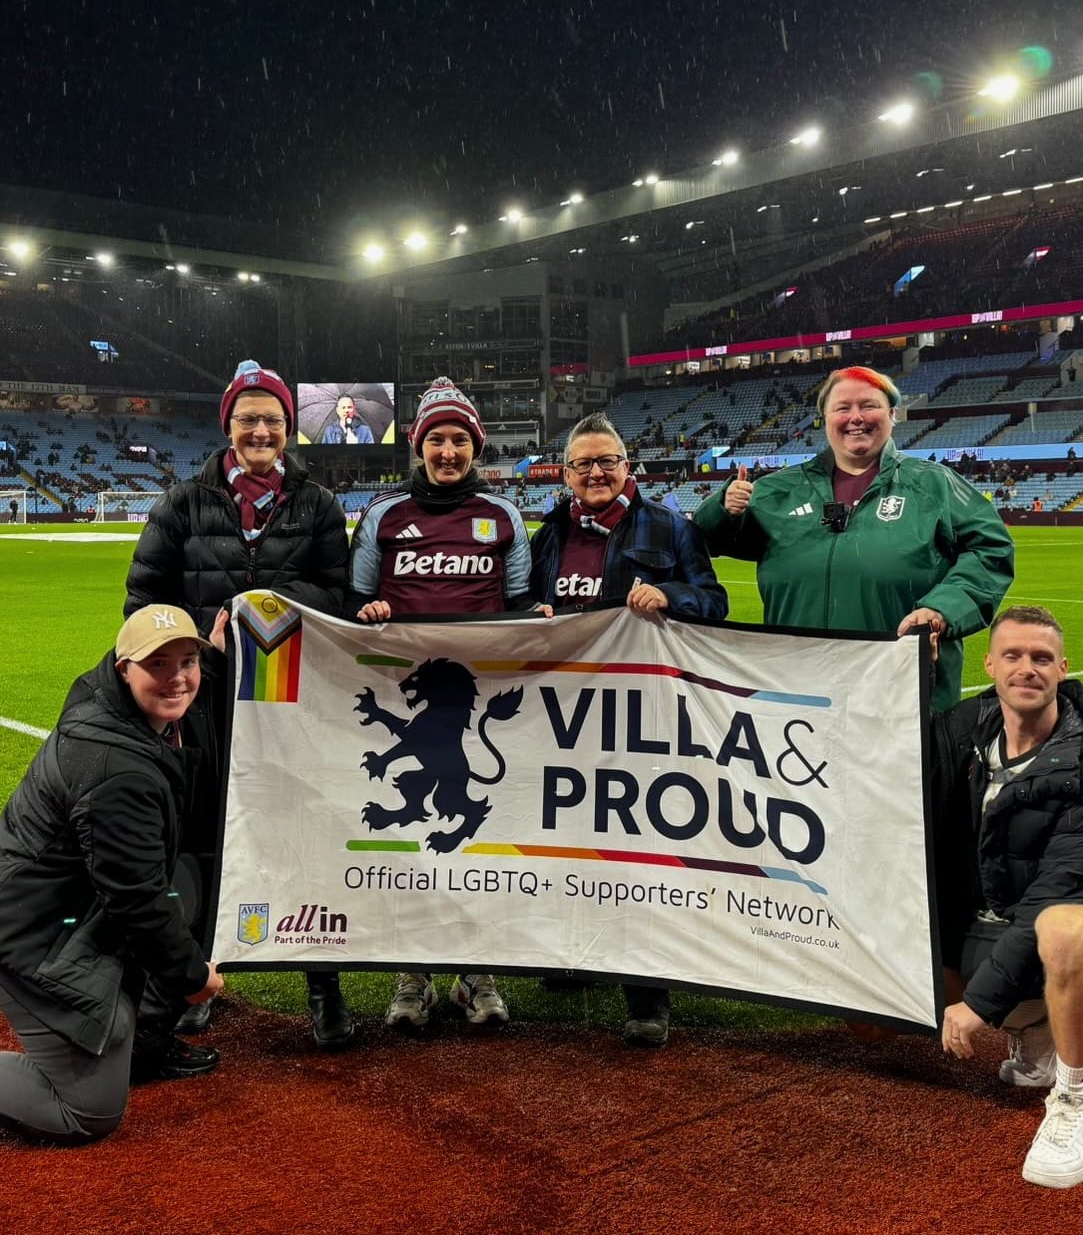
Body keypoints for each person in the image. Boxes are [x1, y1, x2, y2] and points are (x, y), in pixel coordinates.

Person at [124, 359, 353, 1050]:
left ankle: (323, 981)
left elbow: (336, 594)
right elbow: (142, 601)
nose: (261, 430)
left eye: (273, 421)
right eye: (249, 418)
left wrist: (266, 607)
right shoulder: (182, 502)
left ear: (289, 429)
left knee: (305, 829)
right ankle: (191, 980)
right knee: (195, 839)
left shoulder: (318, 503)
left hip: (291, 701)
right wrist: (193, 643)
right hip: (204, 699)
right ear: (228, 425)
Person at [529, 412, 728, 1048]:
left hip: (640, 712)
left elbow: (714, 599)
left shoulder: (669, 526)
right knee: (564, 835)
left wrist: (670, 595)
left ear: (627, 466)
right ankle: (575, 954)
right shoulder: (550, 531)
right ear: (564, 474)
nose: (596, 473)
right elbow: (528, 603)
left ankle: (647, 988)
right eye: (583, 464)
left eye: (607, 461)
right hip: (563, 713)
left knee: (635, 846)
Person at [935, 606, 1083, 1189]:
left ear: (1063, 669)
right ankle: (1033, 1033)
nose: (1026, 668)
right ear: (989, 665)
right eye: (1012, 655)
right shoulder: (961, 734)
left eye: (1040, 658)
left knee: (1061, 931)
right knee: (872, 1026)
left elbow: (1052, 898)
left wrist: (978, 1003)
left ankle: (1076, 1101)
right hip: (993, 917)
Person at [0, 605, 226, 1143]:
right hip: (29, 931)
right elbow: (135, 896)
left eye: (187, 661)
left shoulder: (106, 696)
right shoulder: (117, 770)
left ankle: (129, 1021)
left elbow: (189, 677)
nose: (177, 677)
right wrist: (193, 979)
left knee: (192, 881)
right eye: (159, 664)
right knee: (90, 1114)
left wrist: (213, 655)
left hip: (62, 900)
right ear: (125, 668)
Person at [349, 376, 532, 1033]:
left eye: (458, 438)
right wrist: (364, 611)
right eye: (436, 438)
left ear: (473, 445)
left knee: (478, 845)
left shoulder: (503, 515)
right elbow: (354, 601)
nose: (447, 450)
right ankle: (412, 974)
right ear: (418, 445)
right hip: (408, 686)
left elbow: (518, 607)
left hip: (475, 704)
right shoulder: (383, 515)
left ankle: (474, 972)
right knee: (407, 846)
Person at [693, 366, 1015, 710]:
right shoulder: (777, 490)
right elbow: (703, 541)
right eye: (842, 408)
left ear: (892, 415)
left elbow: (991, 550)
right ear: (825, 418)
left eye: (869, 406)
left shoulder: (936, 484)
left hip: (903, 698)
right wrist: (724, 508)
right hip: (799, 693)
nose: (856, 417)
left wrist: (943, 609)